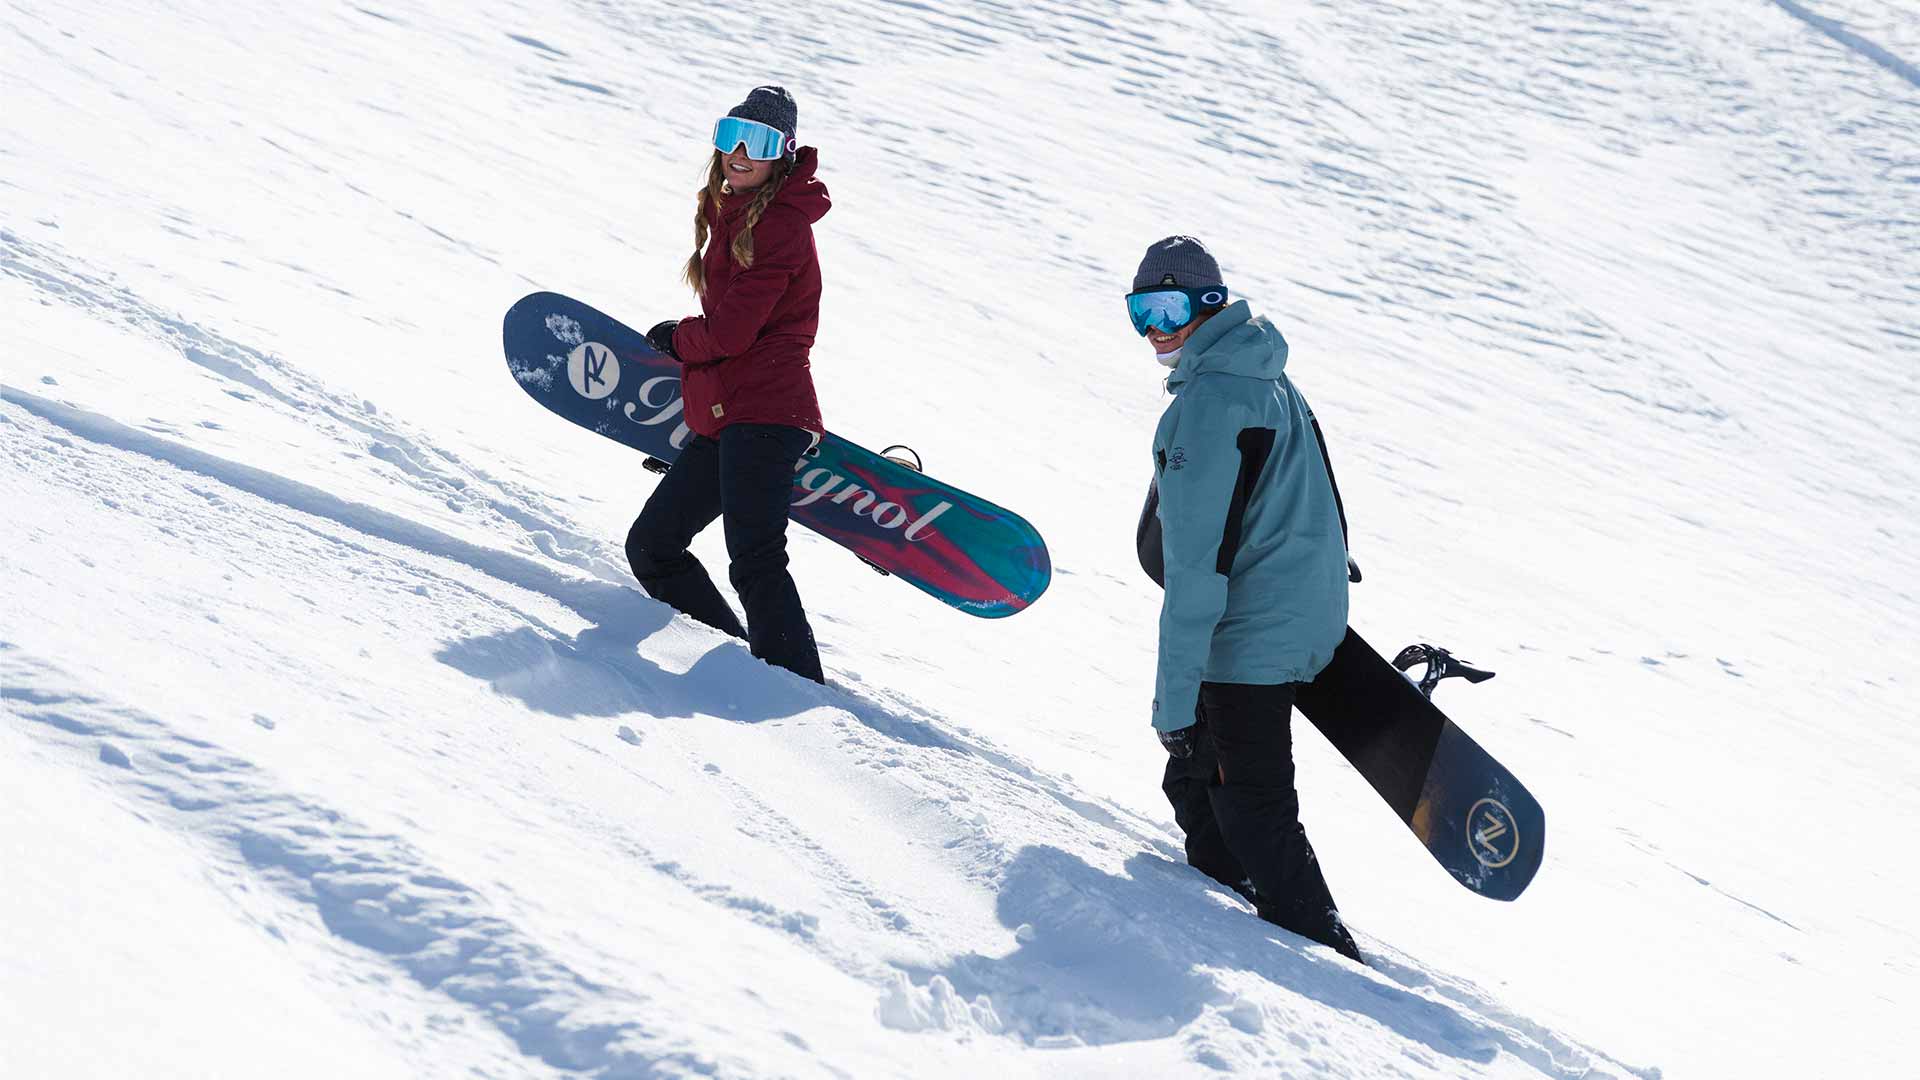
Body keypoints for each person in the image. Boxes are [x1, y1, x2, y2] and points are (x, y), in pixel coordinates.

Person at [1128, 236, 1363, 962]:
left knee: (1253, 805)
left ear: (1209, 303)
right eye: (1140, 310)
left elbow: (1196, 572)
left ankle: (1334, 963)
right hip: (1291, 610)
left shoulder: (1212, 401)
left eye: (1169, 307)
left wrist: (1171, 707)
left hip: (1247, 632)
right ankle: (1227, 903)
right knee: (1197, 786)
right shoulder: (1265, 375)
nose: (1155, 327)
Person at [628, 86, 828, 684]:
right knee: (654, 546)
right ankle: (736, 659)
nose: (739, 152)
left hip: (767, 414)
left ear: (783, 155)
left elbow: (734, 331)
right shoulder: (736, 212)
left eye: (759, 142)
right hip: (728, 415)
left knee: (756, 558)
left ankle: (790, 688)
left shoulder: (782, 226)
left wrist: (677, 338)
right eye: (728, 136)